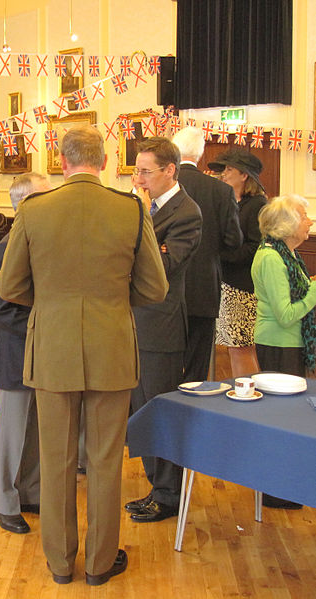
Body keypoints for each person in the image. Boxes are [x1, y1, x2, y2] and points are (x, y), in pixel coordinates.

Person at [0, 126, 168, 586]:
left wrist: (52, 303)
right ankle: (99, 564)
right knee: (106, 460)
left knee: (54, 459)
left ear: (62, 160)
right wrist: (111, 299)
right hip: (112, 346)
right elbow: (155, 287)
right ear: (107, 160)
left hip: (51, 348)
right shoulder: (130, 209)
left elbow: (9, 286)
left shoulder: (35, 209)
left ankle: (58, 563)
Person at [126, 137, 202, 523]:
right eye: (136, 170)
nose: (138, 178)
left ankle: (168, 494)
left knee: (160, 408)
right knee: (141, 408)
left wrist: (134, 227)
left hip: (161, 327)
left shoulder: (186, 213)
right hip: (135, 324)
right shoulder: (146, 207)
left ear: (169, 170)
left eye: (145, 171)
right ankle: (155, 484)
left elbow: (163, 268)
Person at [0, 173, 50, 535]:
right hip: (15, 354)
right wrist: (44, 323)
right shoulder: (7, 248)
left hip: (39, 351)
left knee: (36, 430)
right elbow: (1, 310)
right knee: (13, 433)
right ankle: (4, 503)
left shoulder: (37, 241)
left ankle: (30, 492)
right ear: (25, 204)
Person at [252, 194, 316, 509]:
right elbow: (286, 314)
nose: (310, 221)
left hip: (288, 344)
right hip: (279, 344)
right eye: (304, 215)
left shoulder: (286, 253)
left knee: (288, 420)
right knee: (280, 422)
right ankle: (276, 491)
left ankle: (284, 487)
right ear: (288, 224)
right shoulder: (272, 258)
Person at [172, 127, 243, 382]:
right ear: (200, 154)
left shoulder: (166, 186)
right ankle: (193, 411)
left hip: (167, 288)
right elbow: (234, 241)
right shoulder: (220, 191)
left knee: (166, 359)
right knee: (197, 364)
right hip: (204, 288)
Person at [208, 151, 267, 377]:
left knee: (241, 348)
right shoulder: (231, 201)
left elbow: (255, 247)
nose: (223, 174)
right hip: (227, 283)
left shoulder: (257, 205)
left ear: (244, 175)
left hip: (243, 288)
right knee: (236, 348)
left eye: (228, 170)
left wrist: (221, 254)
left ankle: (248, 395)